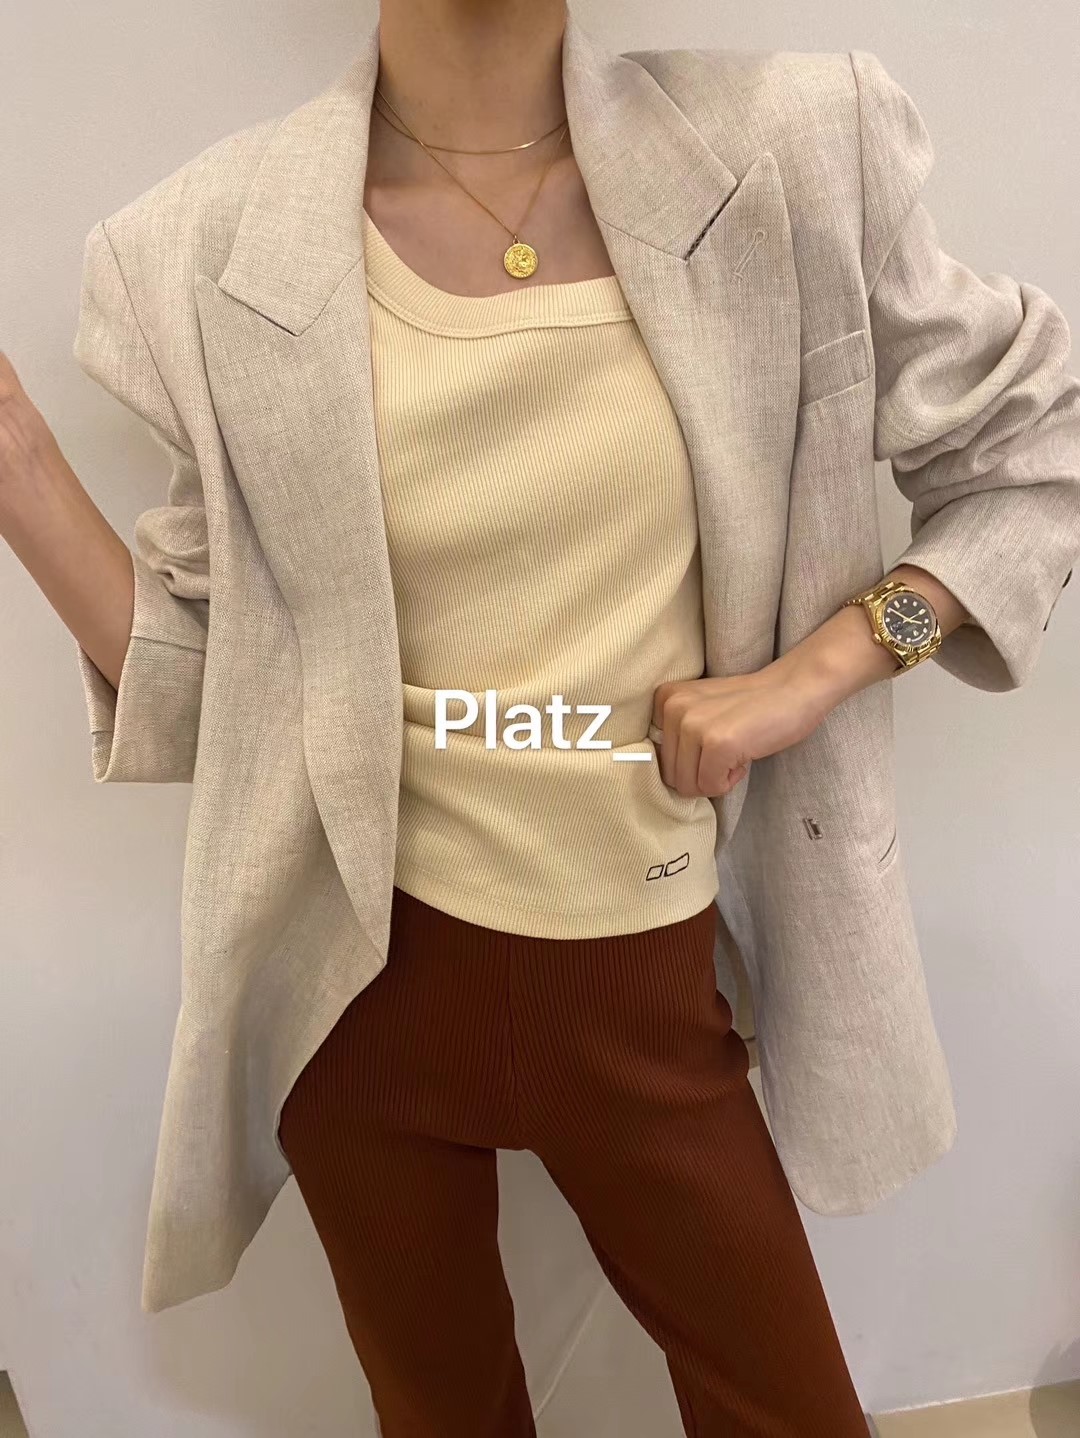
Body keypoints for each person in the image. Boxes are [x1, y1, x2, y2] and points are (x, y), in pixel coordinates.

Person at [3, 0, 1078, 1433]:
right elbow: (224, 696)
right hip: (349, 1005)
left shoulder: (796, 148)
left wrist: (817, 671)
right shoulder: (202, 246)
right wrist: (19, 464)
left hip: (641, 982)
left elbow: (1036, 453)